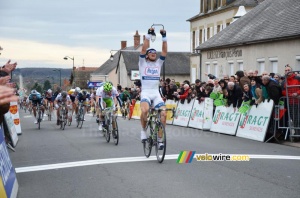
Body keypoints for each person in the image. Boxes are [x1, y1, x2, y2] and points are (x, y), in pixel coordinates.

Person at [139, 27, 167, 149]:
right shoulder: (142, 63)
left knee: (164, 114)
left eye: (155, 53)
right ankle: (144, 131)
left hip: (156, 93)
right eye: (151, 53)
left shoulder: (158, 63)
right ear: (147, 55)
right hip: (145, 93)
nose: (153, 54)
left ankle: (160, 139)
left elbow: (165, 52)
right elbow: (144, 48)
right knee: (145, 111)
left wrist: (164, 36)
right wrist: (149, 34)